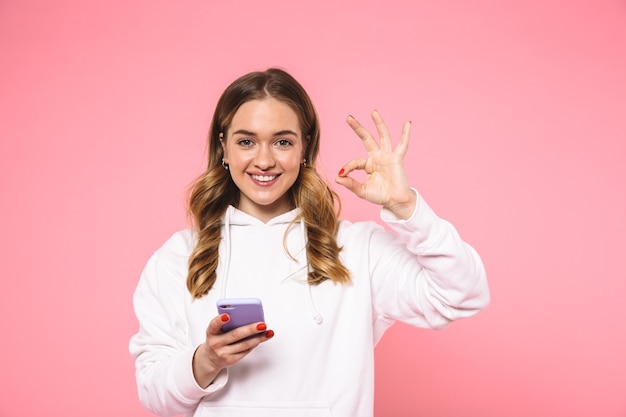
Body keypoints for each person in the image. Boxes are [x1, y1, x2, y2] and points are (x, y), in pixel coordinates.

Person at [129, 68, 490, 417]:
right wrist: (205, 360)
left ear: (305, 147)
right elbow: (154, 394)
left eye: (282, 141)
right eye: (246, 141)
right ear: (223, 147)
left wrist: (406, 207)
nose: (265, 160)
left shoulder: (356, 248)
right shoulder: (180, 256)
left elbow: (461, 295)